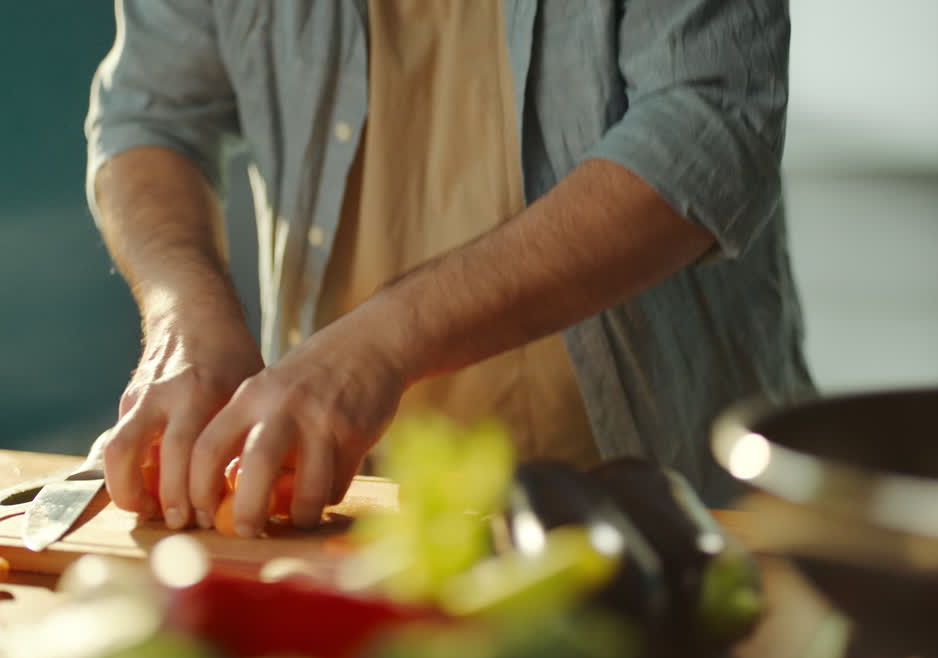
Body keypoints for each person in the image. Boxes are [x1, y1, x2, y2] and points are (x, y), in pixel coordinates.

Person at [84, 0, 814, 538]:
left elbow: (710, 132)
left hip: (673, 509)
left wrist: (379, 343)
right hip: (360, 518)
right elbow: (150, 117)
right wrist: (187, 316)